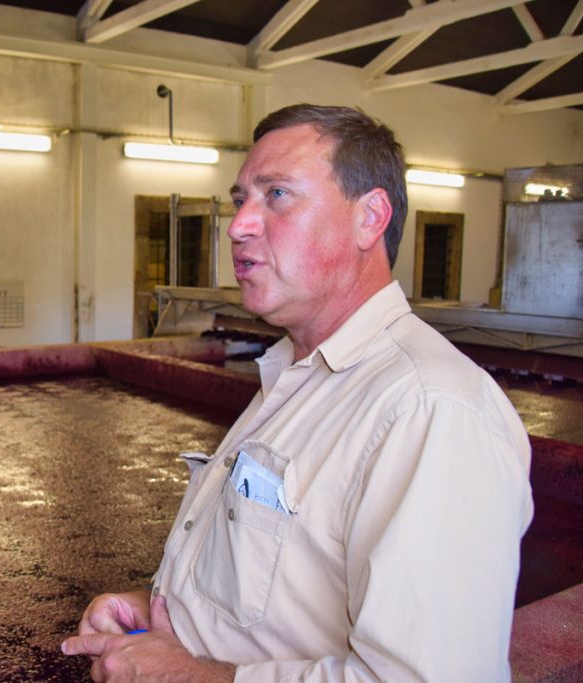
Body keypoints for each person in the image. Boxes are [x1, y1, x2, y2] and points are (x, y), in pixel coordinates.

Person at [61, 104, 533, 682]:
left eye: (277, 194)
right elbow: (285, 589)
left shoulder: (431, 409)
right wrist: (168, 614)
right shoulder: (295, 373)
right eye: (241, 200)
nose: (238, 225)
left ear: (370, 218)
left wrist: (190, 675)